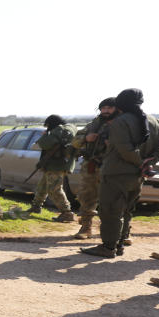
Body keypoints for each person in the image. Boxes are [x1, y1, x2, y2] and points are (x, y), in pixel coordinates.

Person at [82, 89, 159, 258]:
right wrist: (148, 164)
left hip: (116, 173)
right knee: (126, 209)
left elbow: (125, 150)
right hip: (137, 175)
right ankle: (119, 244)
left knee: (111, 210)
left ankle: (108, 247)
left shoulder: (121, 121)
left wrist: (140, 162)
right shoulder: (154, 121)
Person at [70, 98, 118, 238]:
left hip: (113, 167)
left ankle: (115, 232)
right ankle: (86, 228)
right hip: (92, 166)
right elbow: (75, 141)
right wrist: (86, 138)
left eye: (109, 108)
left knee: (113, 200)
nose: (106, 111)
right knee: (87, 196)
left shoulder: (122, 124)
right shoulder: (94, 124)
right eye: (103, 108)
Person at [27, 115, 76, 221]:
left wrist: (45, 135)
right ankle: (36, 206)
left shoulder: (58, 131)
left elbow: (44, 144)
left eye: (48, 125)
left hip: (56, 165)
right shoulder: (68, 130)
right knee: (43, 186)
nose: (47, 127)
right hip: (55, 164)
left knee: (54, 189)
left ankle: (67, 212)